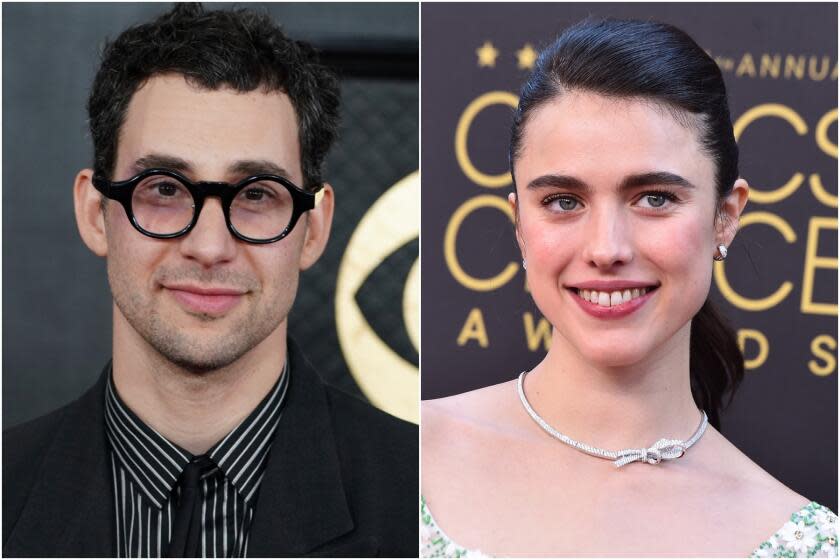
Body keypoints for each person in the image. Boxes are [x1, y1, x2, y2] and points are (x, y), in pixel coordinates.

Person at [3, 4, 417, 557]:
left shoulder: (432, 503)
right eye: (165, 189)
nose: (209, 247)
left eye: (256, 195)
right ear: (95, 213)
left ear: (313, 229)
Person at [421, 18, 837, 558]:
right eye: (564, 202)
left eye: (655, 198)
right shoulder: (407, 458)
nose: (606, 247)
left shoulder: (807, 543)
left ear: (725, 217)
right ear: (521, 223)